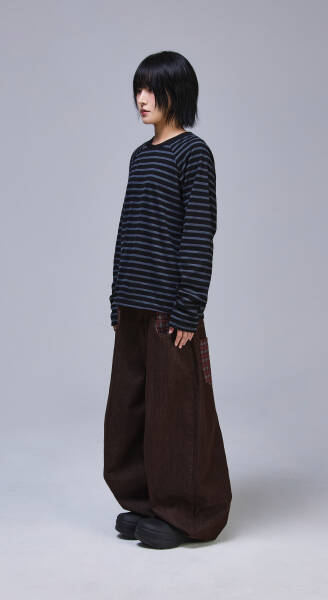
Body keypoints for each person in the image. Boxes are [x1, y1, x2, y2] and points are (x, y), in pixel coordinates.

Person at [103, 50, 232, 549]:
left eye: (151, 89)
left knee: (176, 413)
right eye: (137, 89)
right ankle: (145, 502)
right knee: (131, 411)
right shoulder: (140, 156)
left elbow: (198, 232)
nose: (141, 99)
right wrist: (116, 296)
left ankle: (187, 512)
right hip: (133, 306)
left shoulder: (193, 154)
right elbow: (127, 229)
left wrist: (188, 307)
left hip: (169, 311)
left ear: (176, 94)